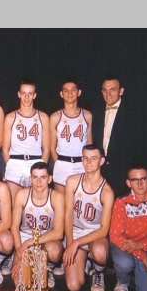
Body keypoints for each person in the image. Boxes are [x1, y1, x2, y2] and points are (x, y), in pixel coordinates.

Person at [49, 76, 93, 276]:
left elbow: (90, 144)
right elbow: (52, 147)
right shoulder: (55, 117)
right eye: (65, 90)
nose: (69, 93)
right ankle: (61, 255)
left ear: (79, 92)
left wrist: (87, 166)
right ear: (61, 94)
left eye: (73, 89)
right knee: (63, 208)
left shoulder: (87, 115)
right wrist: (61, 163)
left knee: (79, 207)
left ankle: (84, 254)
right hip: (63, 164)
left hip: (82, 164)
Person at [63, 144, 114, 291]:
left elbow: (104, 230)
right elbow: (68, 214)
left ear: (102, 161)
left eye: (93, 158)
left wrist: (76, 243)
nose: (88, 162)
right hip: (75, 232)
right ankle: (86, 263)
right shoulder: (72, 181)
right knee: (73, 286)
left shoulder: (107, 192)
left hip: (95, 235)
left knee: (100, 252)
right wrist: (70, 242)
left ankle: (98, 271)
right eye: (85, 158)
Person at [10, 161, 65, 289]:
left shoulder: (57, 197)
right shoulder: (22, 195)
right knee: (20, 282)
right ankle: (19, 260)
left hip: (47, 240)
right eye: (35, 177)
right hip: (25, 238)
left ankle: (48, 269)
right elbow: (14, 226)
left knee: (54, 251)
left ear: (49, 179)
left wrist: (30, 242)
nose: (38, 182)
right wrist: (20, 252)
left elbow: (58, 233)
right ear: (30, 179)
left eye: (43, 177)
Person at [92, 75, 141, 197]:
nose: (108, 94)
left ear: (121, 91)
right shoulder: (96, 112)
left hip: (123, 171)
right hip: (100, 171)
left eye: (112, 90)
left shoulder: (133, 113)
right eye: (105, 90)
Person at [3, 79, 50, 202]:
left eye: (30, 94)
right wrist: (11, 164)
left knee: (33, 203)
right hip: (15, 161)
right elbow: (5, 149)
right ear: (19, 94)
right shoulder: (10, 117)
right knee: (13, 203)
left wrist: (41, 167)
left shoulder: (43, 117)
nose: (26, 97)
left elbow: (46, 149)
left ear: (35, 95)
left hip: (35, 160)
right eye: (23, 93)